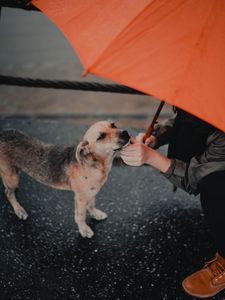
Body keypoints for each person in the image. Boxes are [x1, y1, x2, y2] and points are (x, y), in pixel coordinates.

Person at [120, 107, 225, 298]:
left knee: (214, 186)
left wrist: (151, 157)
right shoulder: (207, 96)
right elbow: (185, 119)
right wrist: (157, 136)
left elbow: (194, 177)